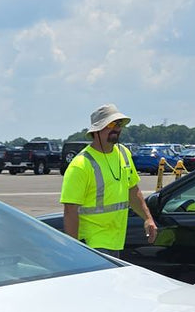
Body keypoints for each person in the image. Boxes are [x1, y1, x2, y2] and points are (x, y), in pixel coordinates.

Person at [60, 103, 158, 255]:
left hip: (116, 240)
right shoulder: (81, 165)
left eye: (119, 124)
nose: (117, 128)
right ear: (97, 129)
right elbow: (70, 210)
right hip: (93, 244)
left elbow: (132, 190)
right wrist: (74, 251)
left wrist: (148, 218)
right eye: (112, 124)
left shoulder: (123, 153)